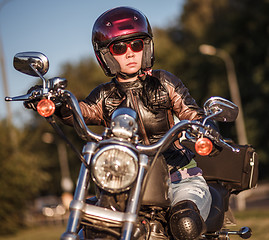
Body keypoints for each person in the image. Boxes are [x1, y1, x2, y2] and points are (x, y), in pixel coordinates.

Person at [26, 6, 212, 240]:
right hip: (127, 184)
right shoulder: (104, 95)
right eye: (120, 47)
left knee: (185, 224)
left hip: (179, 178)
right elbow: (81, 112)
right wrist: (58, 102)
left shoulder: (164, 82)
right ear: (106, 55)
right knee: (92, 227)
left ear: (146, 47)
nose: (130, 53)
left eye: (136, 45)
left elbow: (191, 113)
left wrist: (205, 127)